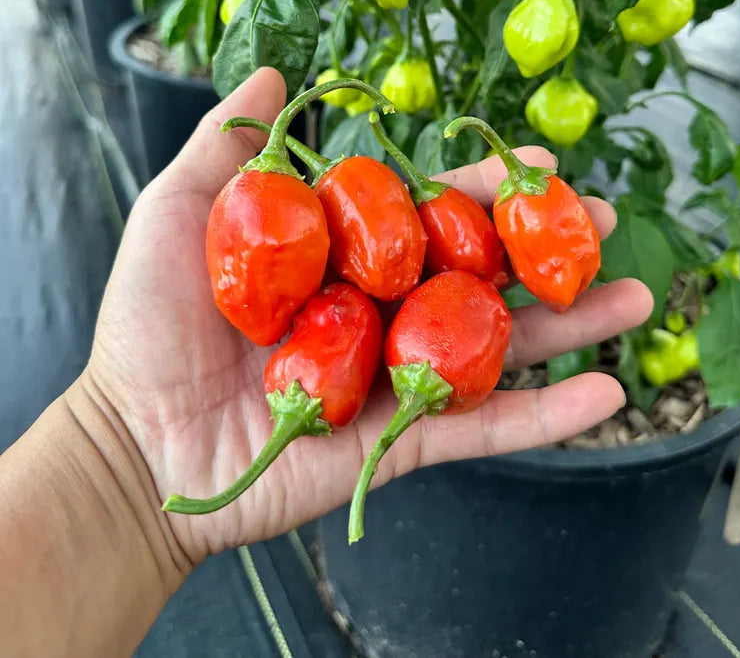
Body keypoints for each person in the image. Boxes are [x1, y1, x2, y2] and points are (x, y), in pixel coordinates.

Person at [0, 68, 652, 657]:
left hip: (376, 348)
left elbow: (397, 282)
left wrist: (121, 470)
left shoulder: (321, 259)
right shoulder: (279, 221)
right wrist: (124, 462)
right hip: (353, 359)